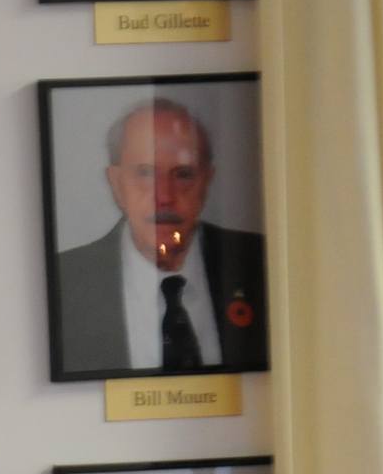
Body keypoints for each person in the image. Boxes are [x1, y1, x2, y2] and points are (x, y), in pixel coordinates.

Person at [53, 98, 268, 375]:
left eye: (183, 174)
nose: (164, 197)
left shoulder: (262, 264)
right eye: (145, 173)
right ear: (117, 185)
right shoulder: (65, 282)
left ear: (206, 181)